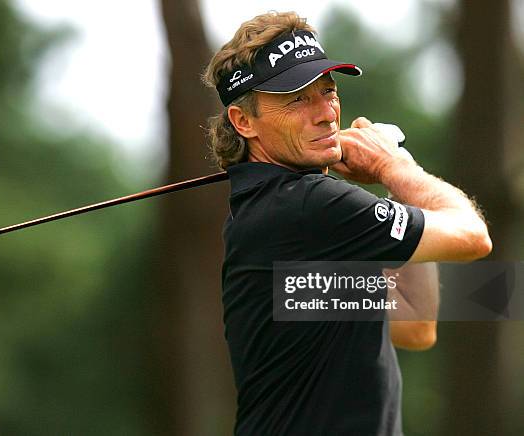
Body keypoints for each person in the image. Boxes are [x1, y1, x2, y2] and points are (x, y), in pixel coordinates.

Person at [201, 11, 492, 436]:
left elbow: (415, 324)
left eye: (328, 91)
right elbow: (473, 237)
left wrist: (398, 186)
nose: (324, 113)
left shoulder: (285, 214)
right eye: (296, 98)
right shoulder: (307, 205)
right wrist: (394, 167)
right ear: (244, 122)